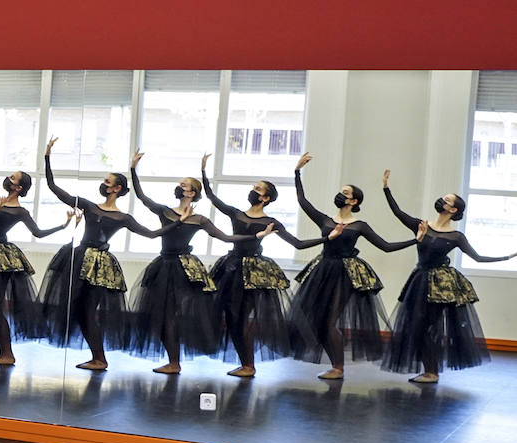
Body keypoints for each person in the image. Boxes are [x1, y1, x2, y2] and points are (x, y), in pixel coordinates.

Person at [125, 153, 272, 373]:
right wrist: (133, 169)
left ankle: (176, 362)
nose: (179, 187)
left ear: (192, 193)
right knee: (163, 316)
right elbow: (142, 196)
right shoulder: (165, 211)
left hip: (183, 268)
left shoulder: (199, 219)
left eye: (183, 185)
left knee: (174, 315)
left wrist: (255, 237)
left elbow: (225, 237)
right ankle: (173, 362)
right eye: (179, 184)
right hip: (163, 265)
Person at [35, 139, 173, 371]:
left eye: (107, 181)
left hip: (100, 265)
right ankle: (97, 356)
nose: (103, 183)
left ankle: (99, 358)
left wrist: (176, 223)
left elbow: (151, 234)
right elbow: (55, 188)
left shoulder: (123, 218)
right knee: (78, 310)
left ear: (116, 189)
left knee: (88, 310)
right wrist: (47, 157)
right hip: (79, 259)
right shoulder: (89, 206)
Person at [379, 170, 516, 383]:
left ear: (452, 210)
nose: (442, 200)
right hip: (419, 280)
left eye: (447, 200)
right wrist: (386, 187)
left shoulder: (456, 236)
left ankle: (432, 372)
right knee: (417, 326)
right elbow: (398, 212)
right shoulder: (422, 226)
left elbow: (477, 258)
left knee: (430, 327)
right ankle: (429, 371)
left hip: (441, 285)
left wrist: (508, 256)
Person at [286, 153, 415, 379]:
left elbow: (385, 246)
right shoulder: (325, 220)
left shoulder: (359, 225)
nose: (340, 194)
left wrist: (415, 240)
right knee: (316, 320)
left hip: (345, 274)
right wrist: (297, 172)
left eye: (345, 193)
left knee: (328, 322)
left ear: (354, 201)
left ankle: (338, 368)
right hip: (322, 269)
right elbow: (302, 200)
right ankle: (336, 366)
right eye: (341, 191)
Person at [199, 154, 325, 377]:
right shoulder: (236, 214)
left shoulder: (270, 222)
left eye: (258, 189)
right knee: (230, 318)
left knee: (241, 318)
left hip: (253, 274)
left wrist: (327, 238)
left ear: (266, 198)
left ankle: (249, 365)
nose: (253, 191)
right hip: (231, 267)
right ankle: (245, 364)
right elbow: (210, 196)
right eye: (254, 187)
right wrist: (203, 171)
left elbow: (298, 243)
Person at [0, 147, 70, 365]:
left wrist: (62, 226)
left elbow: (37, 232)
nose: (8, 178)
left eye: (12, 178)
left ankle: (7, 353)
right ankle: (4, 352)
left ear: (18, 187)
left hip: (1, 259)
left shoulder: (20, 212)